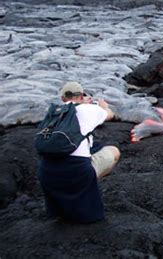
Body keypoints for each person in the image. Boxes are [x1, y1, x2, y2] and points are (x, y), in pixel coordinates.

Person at [38, 81, 120, 223]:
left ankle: (60, 205)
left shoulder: (53, 113)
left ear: (63, 98)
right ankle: (88, 187)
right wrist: (103, 107)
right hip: (77, 172)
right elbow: (110, 115)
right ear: (82, 96)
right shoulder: (88, 110)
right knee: (114, 152)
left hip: (46, 172)